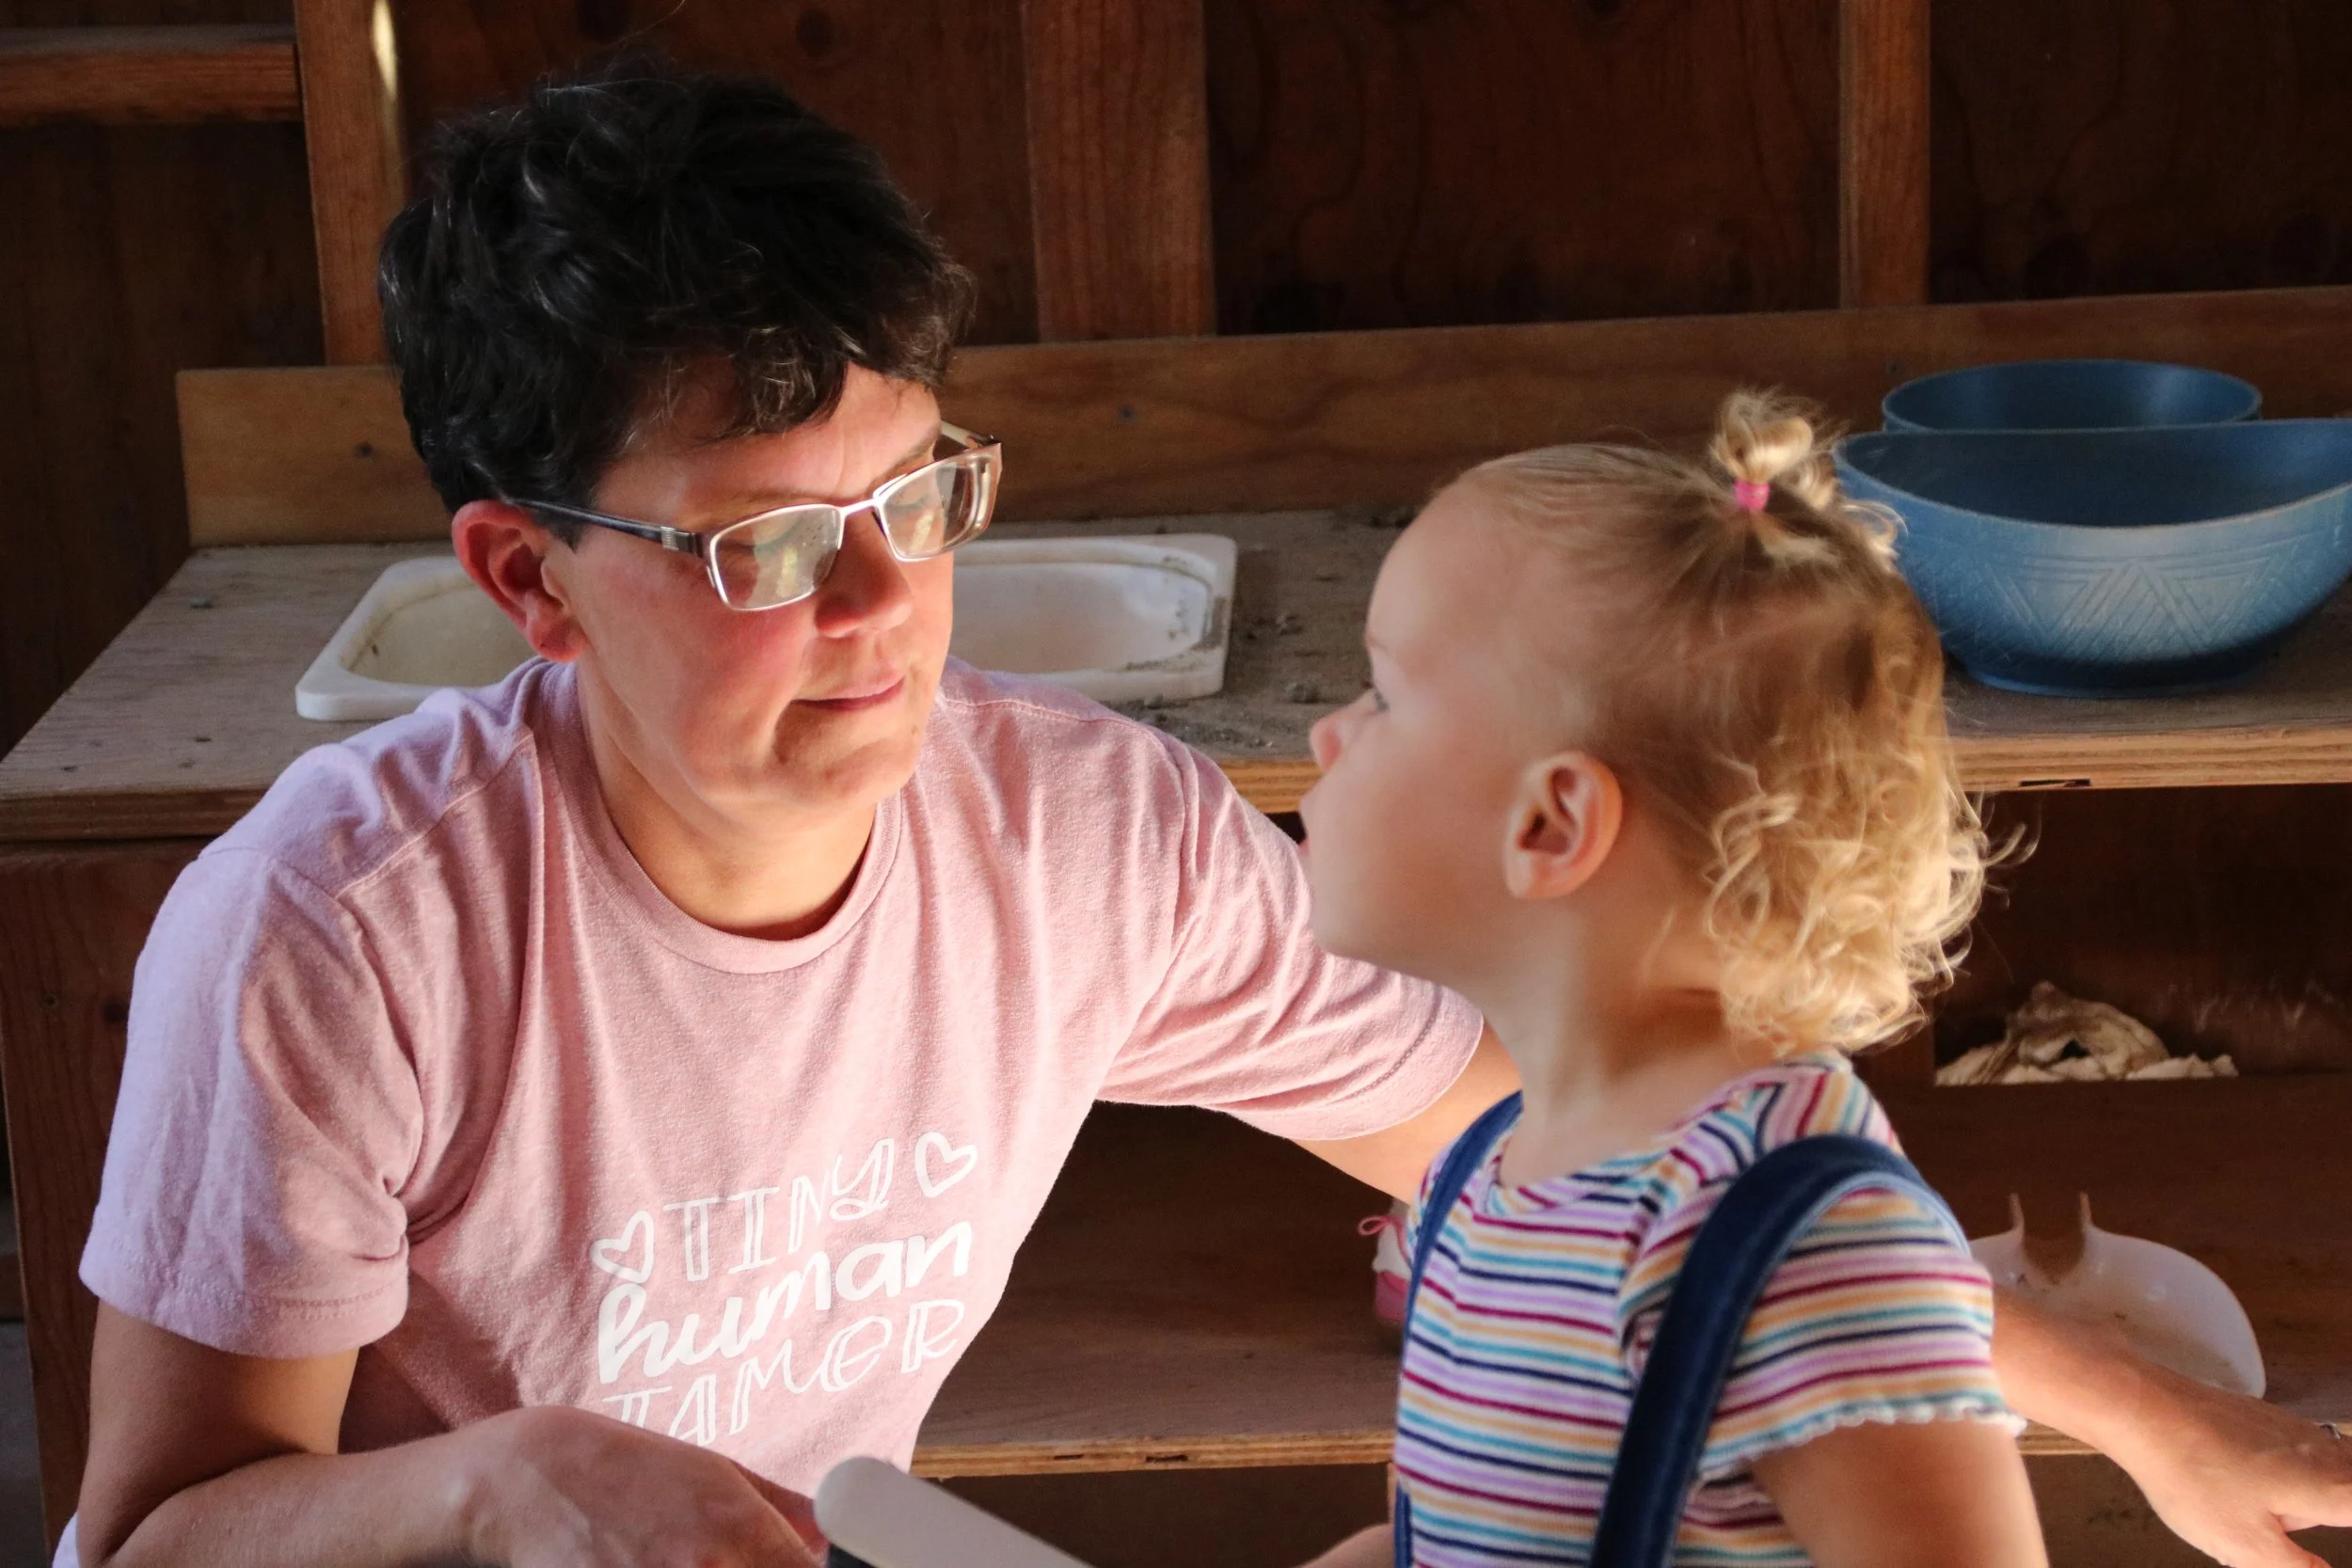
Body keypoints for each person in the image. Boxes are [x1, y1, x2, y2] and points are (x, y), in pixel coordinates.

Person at [62, 56, 2352, 1568]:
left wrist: (2140, 1413)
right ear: (528, 577)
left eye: (917, 498)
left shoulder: (1078, 836)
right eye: (766, 547)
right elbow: (156, 1530)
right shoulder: (337, 930)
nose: (880, 611)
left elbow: (1647, 1183)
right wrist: (496, 1489)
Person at [1295, 396, 2042, 1565]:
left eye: (1382, 695)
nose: (1325, 737)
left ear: (1551, 824)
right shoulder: (1480, 1179)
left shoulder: (1799, 1234)